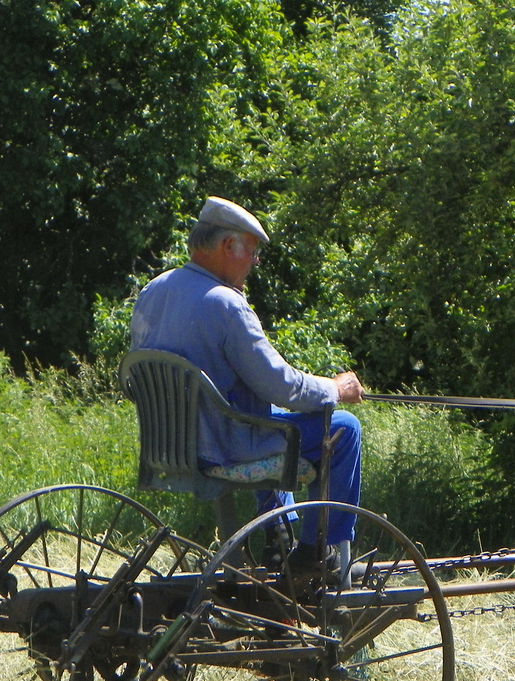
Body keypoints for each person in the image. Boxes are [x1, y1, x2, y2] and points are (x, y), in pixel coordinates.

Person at [129, 196, 363, 579]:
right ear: (226, 247)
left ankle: (277, 535)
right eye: (251, 252)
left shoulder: (153, 291)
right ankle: (317, 552)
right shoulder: (226, 304)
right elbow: (282, 386)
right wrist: (336, 388)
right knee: (344, 429)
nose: (255, 262)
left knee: (266, 421)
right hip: (225, 449)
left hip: (175, 446)